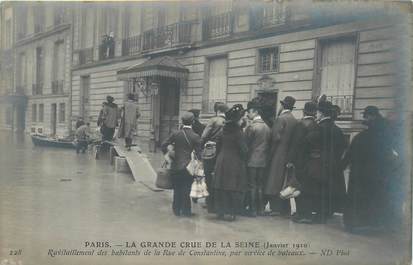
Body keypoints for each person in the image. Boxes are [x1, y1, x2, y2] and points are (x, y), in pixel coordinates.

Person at [342, 106, 398, 231]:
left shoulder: (361, 137)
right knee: (376, 197)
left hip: (362, 173)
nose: (364, 119)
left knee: (360, 197)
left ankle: (358, 222)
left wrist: (341, 166)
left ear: (371, 117)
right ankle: (376, 222)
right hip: (379, 173)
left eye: (366, 116)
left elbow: (349, 155)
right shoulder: (387, 134)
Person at [161, 112, 201, 217]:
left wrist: (168, 156)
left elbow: (163, 145)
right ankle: (186, 211)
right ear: (193, 122)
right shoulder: (195, 136)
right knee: (186, 189)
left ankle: (176, 210)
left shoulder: (175, 133)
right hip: (188, 167)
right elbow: (199, 154)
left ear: (182, 122)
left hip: (175, 166)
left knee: (177, 188)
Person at [213, 104, 248, 221]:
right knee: (232, 187)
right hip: (234, 162)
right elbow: (244, 150)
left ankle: (220, 212)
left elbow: (217, 147)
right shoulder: (238, 133)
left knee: (220, 186)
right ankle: (231, 212)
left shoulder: (222, 131)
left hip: (221, 160)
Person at [288, 102, 321, 224]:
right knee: (310, 188)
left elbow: (295, 145)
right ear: (315, 113)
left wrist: (290, 160)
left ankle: (301, 214)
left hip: (301, 161)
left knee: (299, 188)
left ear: (304, 111)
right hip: (313, 161)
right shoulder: (317, 125)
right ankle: (308, 213)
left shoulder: (300, 125)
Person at [315, 99, 347, 223]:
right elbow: (343, 146)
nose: (316, 115)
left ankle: (320, 213)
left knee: (321, 188)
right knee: (330, 188)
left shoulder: (319, 128)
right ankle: (328, 210)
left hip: (321, 162)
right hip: (333, 163)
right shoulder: (337, 129)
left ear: (322, 113)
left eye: (317, 112)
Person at [265, 96, 298, 216]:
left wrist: (270, 154)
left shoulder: (281, 119)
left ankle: (276, 208)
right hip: (289, 154)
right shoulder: (294, 120)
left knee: (274, 181)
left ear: (283, 106)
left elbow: (275, 138)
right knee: (284, 180)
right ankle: (285, 208)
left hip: (278, 153)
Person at [244, 100, 271, 217]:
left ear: (254, 111)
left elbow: (246, 145)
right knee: (260, 185)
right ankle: (261, 209)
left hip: (252, 160)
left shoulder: (251, 127)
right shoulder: (267, 127)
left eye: (249, 112)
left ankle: (253, 209)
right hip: (263, 160)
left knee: (252, 185)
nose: (247, 115)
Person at [200, 102, 229, 212]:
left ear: (217, 110)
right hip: (223, 151)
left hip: (211, 150)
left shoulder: (213, 120)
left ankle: (210, 202)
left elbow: (204, 136)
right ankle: (219, 202)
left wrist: (200, 147)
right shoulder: (228, 121)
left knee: (208, 176)